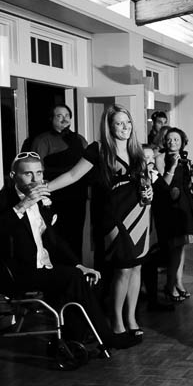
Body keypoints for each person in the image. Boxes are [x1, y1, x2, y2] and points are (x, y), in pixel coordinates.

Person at [0, 152, 134, 349]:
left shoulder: (44, 201)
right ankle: (107, 337)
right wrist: (23, 204)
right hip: (17, 272)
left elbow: (56, 240)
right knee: (72, 278)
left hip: (45, 267)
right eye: (28, 174)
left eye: (39, 173)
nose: (36, 180)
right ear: (13, 176)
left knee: (85, 276)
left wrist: (79, 264)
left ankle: (74, 340)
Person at [48, 105, 152, 341]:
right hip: (114, 216)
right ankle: (116, 322)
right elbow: (73, 175)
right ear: (109, 125)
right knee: (123, 268)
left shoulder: (137, 149)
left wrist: (149, 192)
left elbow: (145, 180)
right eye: (119, 123)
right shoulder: (99, 149)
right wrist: (45, 187)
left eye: (128, 122)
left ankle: (131, 318)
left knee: (136, 267)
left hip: (140, 214)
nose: (125, 127)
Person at [154, 128, 193, 302]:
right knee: (172, 249)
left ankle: (178, 282)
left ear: (182, 142)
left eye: (176, 140)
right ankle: (169, 285)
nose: (172, 143)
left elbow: (192, 188)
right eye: (169, 140)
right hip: (168, 206)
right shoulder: (160, 159)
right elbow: (163, 184)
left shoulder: (186, 160)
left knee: (181, 246)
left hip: (184, 206)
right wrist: (173, 166)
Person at [30, 105, 88, 260]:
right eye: (59, 116)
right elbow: (36, 170)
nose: (64, 119)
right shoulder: (42, 140)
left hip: (77, 197)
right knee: (56, 238)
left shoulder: (79, 139)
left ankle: (79, 273)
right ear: (51, 119)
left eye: (67, 115)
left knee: (76, 237)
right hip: (55, 197)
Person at [140, 144, 175, 312]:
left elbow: (165, 194)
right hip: (139, 225)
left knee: (151, 262)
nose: (149, 161)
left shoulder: (154, 175)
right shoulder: (135, 177)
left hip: (154, 225)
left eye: (151, 158)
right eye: (145, 157)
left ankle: (153, 299)